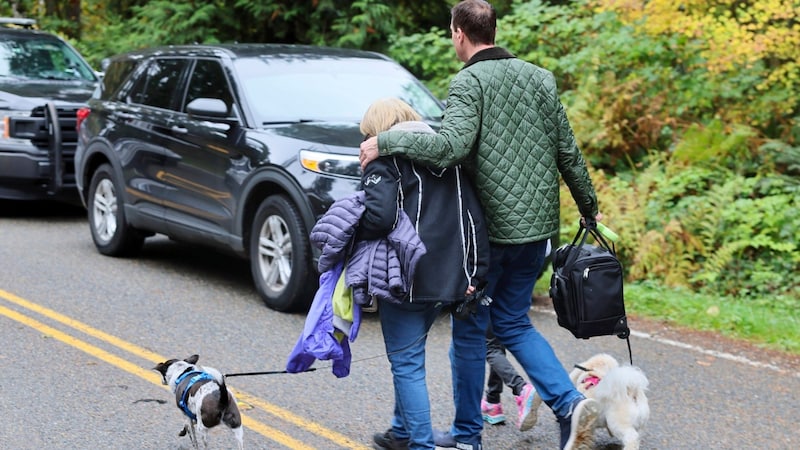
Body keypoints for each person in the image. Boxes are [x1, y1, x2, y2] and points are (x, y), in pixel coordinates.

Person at [359, 1, 601, 449]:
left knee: (471, 335)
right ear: (494, 29)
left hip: (490, 235)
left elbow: (449, 148)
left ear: (458, 34)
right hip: (539, 232)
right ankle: (566, 407)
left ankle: (472, 435)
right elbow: (568, 152)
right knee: (513, 322)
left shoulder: (469, 81)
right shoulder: (540, 78)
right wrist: (589, 206)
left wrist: (384, 141)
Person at [357, 98, 490, 450]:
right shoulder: (448, 160)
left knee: (406, 365)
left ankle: (419, 444)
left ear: (378, 131)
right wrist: (476, 273)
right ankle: (401, 432)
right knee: (410, 357)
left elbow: (379, 218)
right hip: (450, 278)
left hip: (405, 277)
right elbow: (473, 219)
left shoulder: (386, 162)